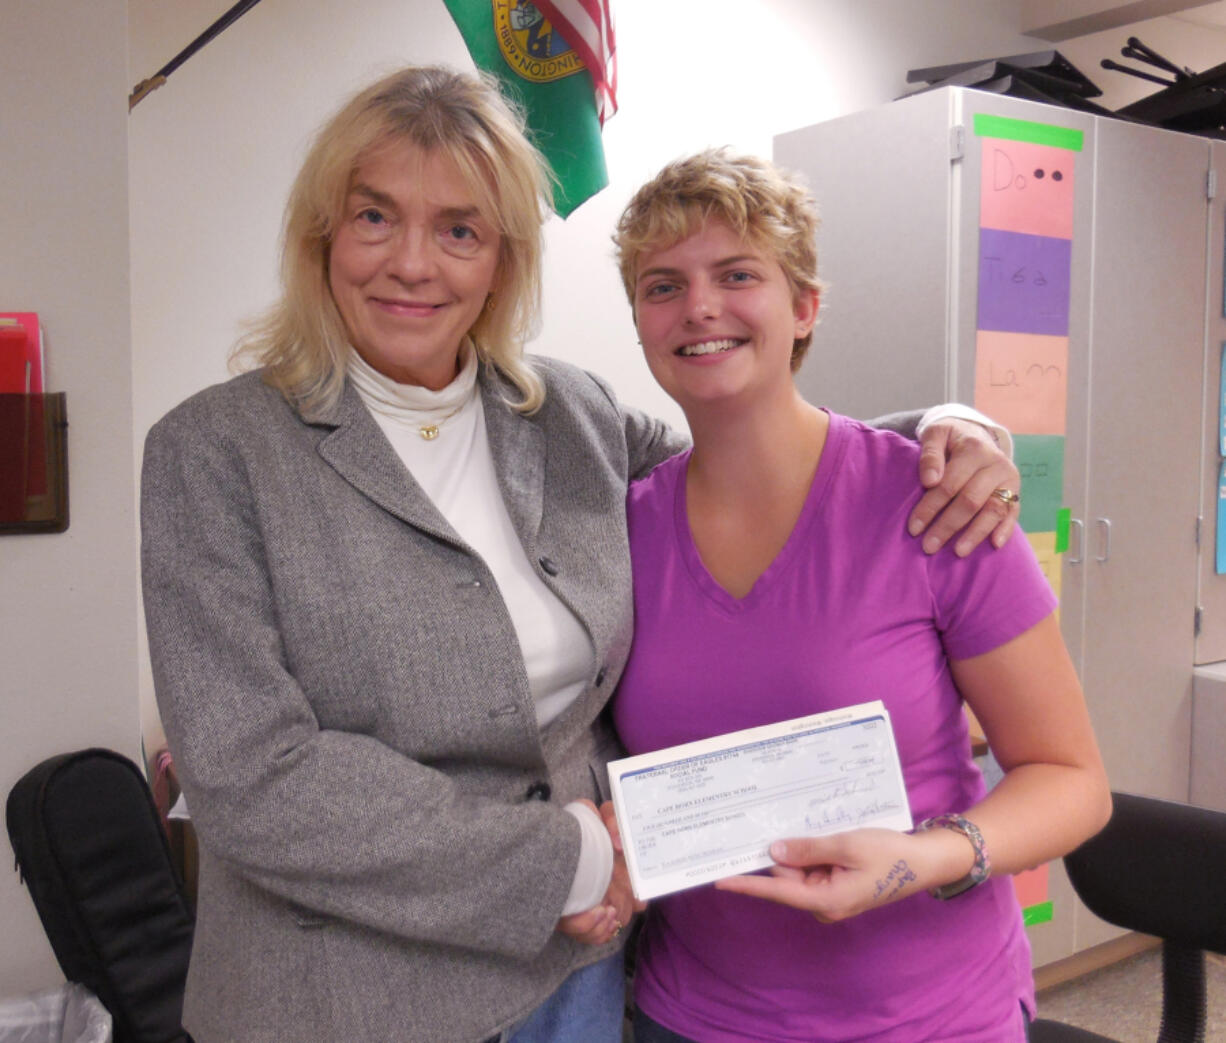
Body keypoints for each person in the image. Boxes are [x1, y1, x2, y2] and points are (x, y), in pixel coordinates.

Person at [140, 67, 1021, 1043]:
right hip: (345, 987)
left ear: (502, 259)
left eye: (459, 230)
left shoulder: (567, 414)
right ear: (320, 237)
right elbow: (250, 774)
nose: (413, 264)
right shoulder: (212, 452)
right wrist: (561, 859)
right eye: (374, 217)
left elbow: (744, 463)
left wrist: (940, 430)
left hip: (573, 977)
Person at [609, 150, 1112, 1043]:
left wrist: (925, 859)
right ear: (641, 322)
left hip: (926, 1017)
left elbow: (1072, 780)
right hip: (690, 1015)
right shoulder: (620, 531)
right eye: (662, 285)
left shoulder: (936, 500)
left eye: (737, 274)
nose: (700, 308)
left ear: (804, 305)